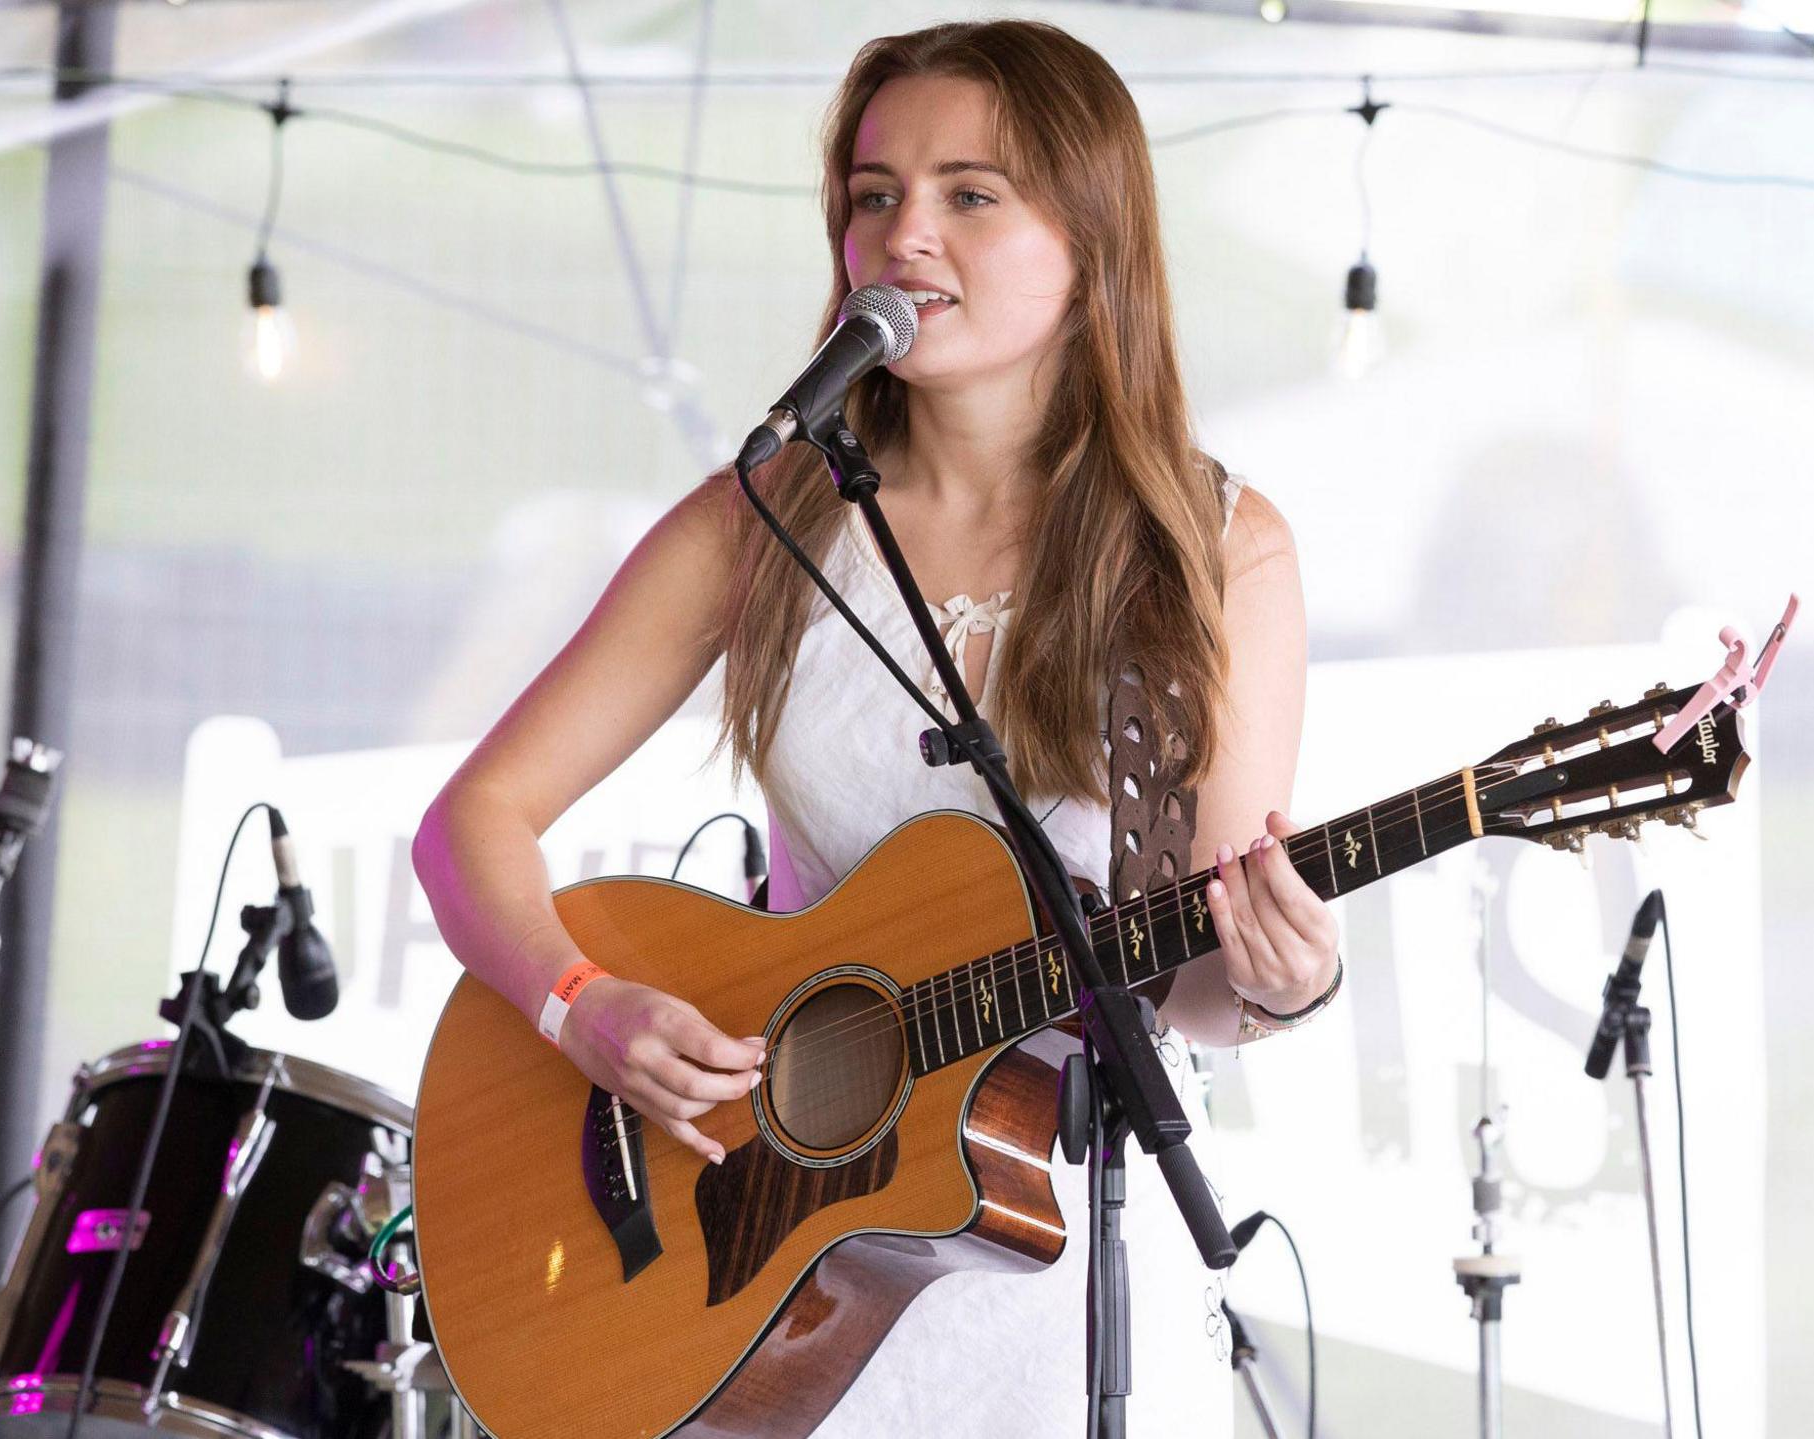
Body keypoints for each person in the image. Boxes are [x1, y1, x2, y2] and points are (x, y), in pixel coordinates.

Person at [412, 19, 1339, 1435]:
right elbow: (470, 822)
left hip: (1058, 1276)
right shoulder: (766, 518)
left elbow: (1193, 992)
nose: (906, 234)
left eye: (972, 194)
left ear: (1093, 241)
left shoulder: (1212, 552)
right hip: (763, 1272)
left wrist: (1281, 980)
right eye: (873, 194)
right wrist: (582, 1006)